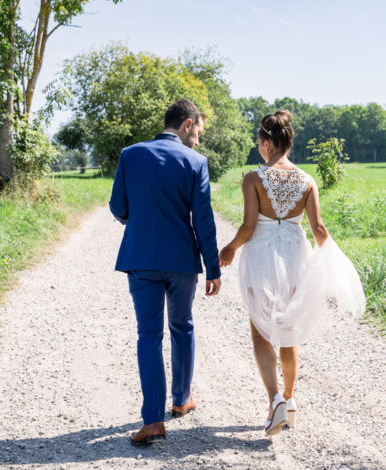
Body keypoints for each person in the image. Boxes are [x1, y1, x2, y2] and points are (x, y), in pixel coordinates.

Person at [219, 110, 365, 436]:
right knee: (288, 329)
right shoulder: (308, 181)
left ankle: (275, 401)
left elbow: (248, 227)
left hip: (261, 257)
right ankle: (290, 398)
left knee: (260, 328)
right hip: (297, 257)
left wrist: (229, 248)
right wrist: (333, 260)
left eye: (259, 142)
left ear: (267, 143)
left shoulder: (253, 179)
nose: (259, 147)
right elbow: (318, 228)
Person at [109, 99, 222, 446]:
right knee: (182, 325)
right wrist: (213, 268)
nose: (198, 141)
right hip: (181, 262)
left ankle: (153, 421)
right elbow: (203, 220)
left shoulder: (130, 154)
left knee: (148, 335)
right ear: (187, 124)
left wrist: (140, 222)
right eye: (198, 132)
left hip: (140, 258)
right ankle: (182, 399)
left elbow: (118, 206)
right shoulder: (196, 162)